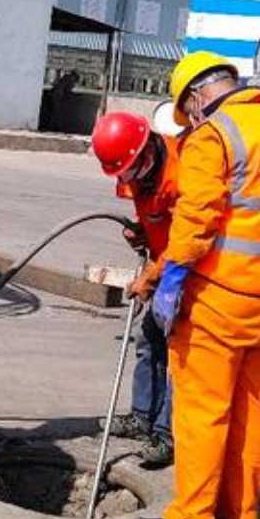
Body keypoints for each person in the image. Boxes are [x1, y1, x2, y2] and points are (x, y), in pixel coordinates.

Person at [132, 52, 260, 519]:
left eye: (188, 109)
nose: (191, 118)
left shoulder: (214, 136)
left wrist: (164, 279)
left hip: (217, 300)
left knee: (203, 409)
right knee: (251, 404)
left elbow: (195, 225)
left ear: (198, 96)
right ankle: (240, 514)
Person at [92, 111, 184, 467]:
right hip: (166, 263)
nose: (128, 181)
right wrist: (144, 232)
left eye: (131, 171)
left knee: (179, 354)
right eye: (122, 175)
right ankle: (142, 417)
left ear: (147, 150)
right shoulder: (134, 173)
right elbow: (156, 219)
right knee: (150, 341)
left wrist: (150, 277)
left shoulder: (184, 172)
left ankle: (167, 435)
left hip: (192, 267)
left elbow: (189, 238)